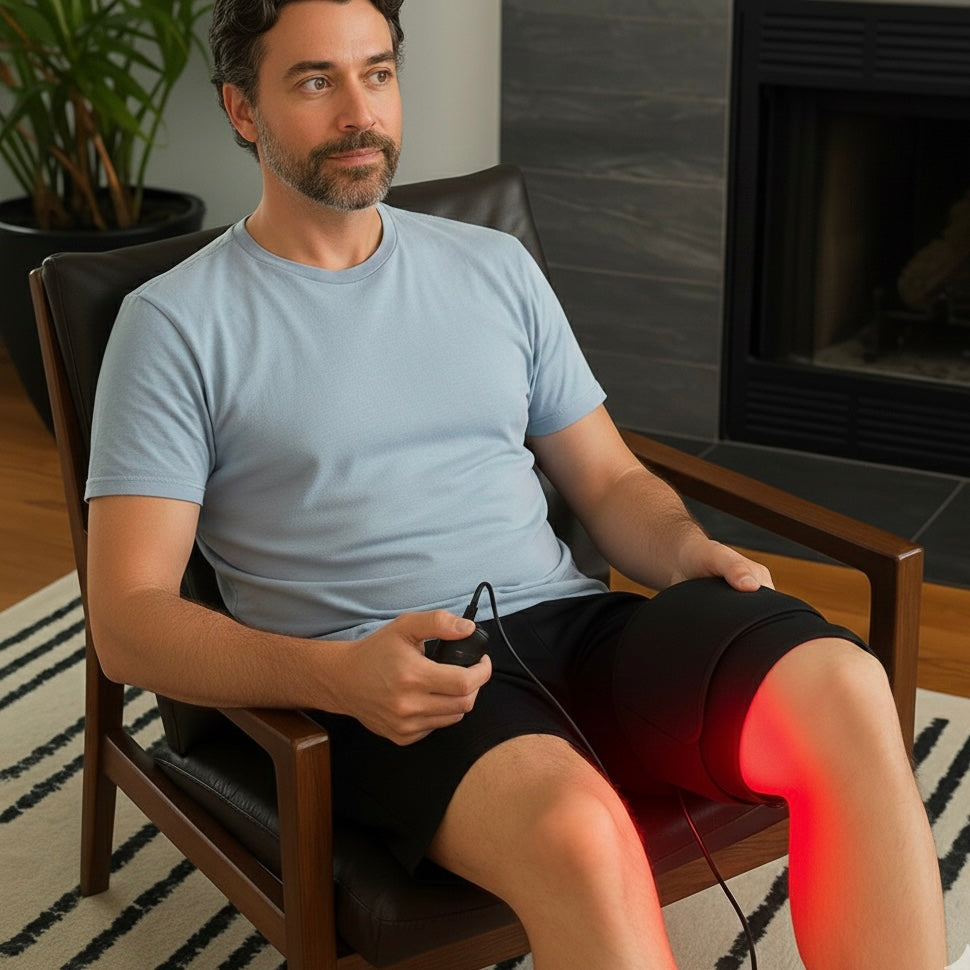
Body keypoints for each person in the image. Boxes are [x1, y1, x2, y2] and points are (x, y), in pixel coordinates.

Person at [84, 0, 948, 966]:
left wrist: (685, 549)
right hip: (390, 680)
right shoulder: (175, 325)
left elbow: (609, 479)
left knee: (847, 691)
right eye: (316, 80)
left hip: (577, 628)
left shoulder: (492, 266)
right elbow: (128, 622)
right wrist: (336, 679)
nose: (360, 112)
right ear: (243, 109)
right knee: (581, 833)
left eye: (378, 72)